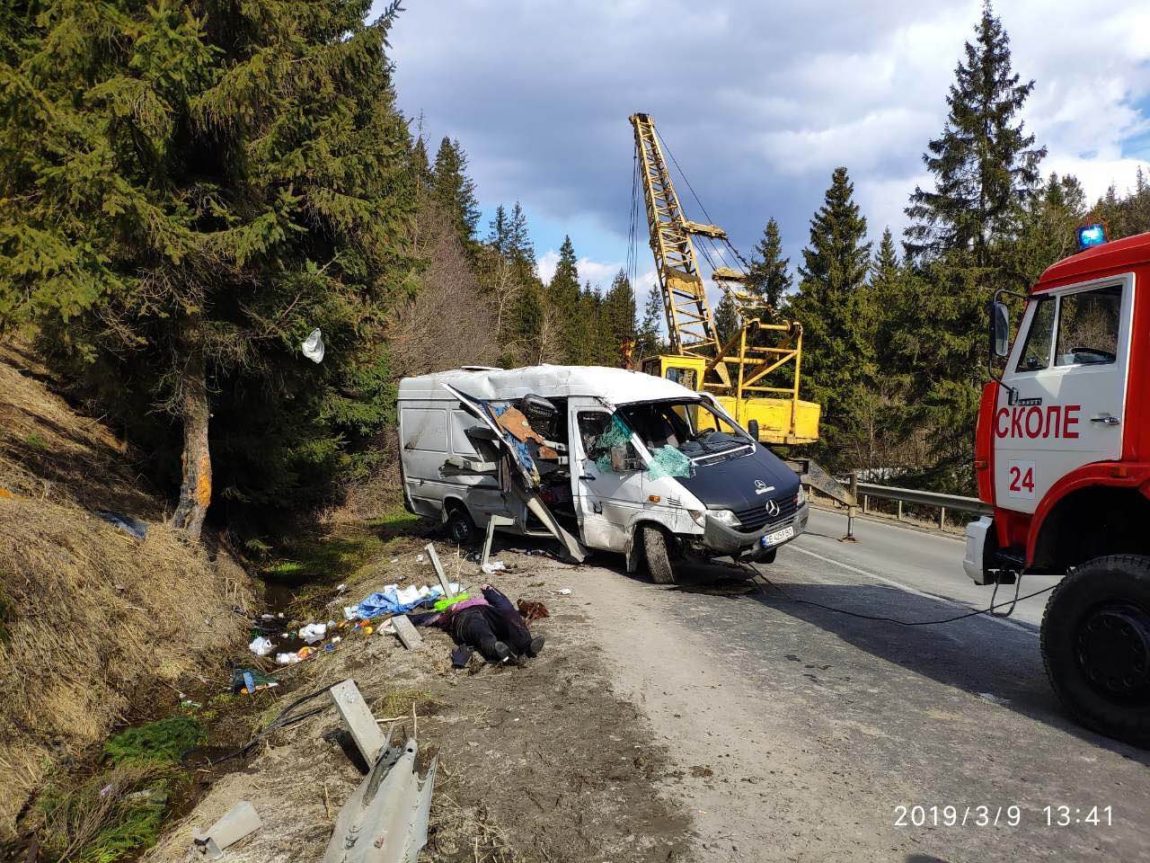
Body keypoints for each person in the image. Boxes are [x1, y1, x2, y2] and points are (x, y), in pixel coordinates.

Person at [431, 584, 544, 665]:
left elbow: (505, 606)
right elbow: (426, 618)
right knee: (479, 628)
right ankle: (497, 652)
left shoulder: (478, 601)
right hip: (464, 618)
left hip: (486, 612)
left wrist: (489, 590)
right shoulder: (447, 613)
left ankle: (527, 645)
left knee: (507, 616)